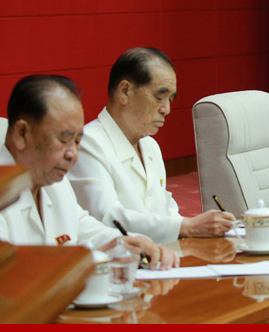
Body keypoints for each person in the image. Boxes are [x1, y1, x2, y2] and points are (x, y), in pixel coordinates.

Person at [0, 75, 178, 270]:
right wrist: (91, 258)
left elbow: (82, 227)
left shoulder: (51, 177)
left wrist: (126, 242)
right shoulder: (6, 186)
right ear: (22, 134)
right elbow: (11, 273)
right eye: (63, 140)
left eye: (77, 141)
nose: (72, 154)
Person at [68, 48, 235, 244]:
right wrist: (187, 226)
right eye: (159, 97)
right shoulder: (88, 143)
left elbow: (167, 210)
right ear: (125, 91)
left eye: (170, 99)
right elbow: (108, 219)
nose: (167, 109)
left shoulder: (150, 145)